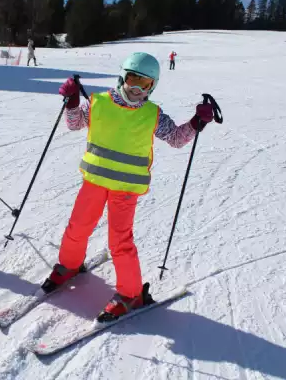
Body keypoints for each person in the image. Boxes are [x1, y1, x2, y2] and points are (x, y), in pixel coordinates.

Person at [40, 52, 215, 321]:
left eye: (144, 84)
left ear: (152, 87)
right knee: (77, 227)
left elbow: (178, 140)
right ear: (123, 75)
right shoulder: (98, 103)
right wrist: (72, 102)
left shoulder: (152, 114)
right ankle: (69, 266)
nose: (136, 88)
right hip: (94, 182)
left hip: (125, 189)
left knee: (119, 241)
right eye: (133, 79)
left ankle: (130, 293)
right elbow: (74, 124)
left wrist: (196, 122)